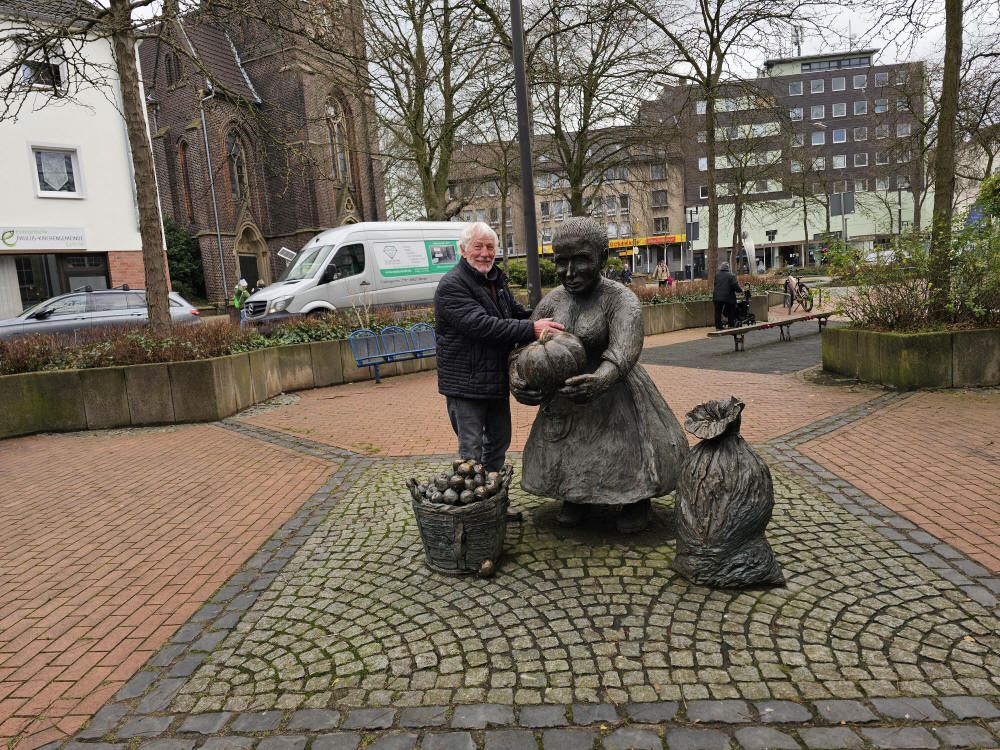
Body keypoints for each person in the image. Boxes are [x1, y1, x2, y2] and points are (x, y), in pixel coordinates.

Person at [510, 217, 687, 534]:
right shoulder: (553, 301)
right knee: (569, 447)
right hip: (566, 393)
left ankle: (635, 500)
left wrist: (604, 378)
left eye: (580, 260)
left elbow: (625, 346)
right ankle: (574, 496)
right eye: (561, 262)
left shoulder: (620, 299)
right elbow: (526, 348)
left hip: (613, 388)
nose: (568, 272)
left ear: (602, 259)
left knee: (621, 447)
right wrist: (518, 378)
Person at [434, 221, 563, 521]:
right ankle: (474, 516)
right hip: (466, 385)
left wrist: (547, 318)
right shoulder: (452, 285)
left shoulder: (495, 279)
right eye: (478, 246)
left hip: (494, 381)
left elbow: (513, 313)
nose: (485, 253)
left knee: (498, 445)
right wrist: (531, 328)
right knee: (471, 452)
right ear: (463, 250)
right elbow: (482, 325)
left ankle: (494, 504)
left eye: (490, 247)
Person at [712, 261, 742, 329]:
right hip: (728, 297)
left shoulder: (717, 275)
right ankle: (731, 325)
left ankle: (718, 327)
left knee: (717, 312)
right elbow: (735, 286)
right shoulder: (731, 275)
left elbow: (715, 284)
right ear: (728, 268)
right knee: (731, 310)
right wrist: (740, 290)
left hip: (716, 296)